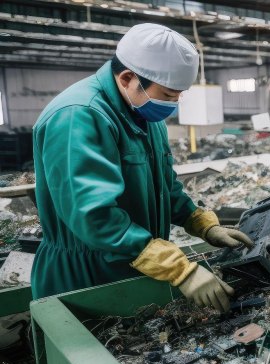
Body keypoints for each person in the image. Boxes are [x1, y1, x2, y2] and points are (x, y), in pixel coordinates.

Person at [30, 23, 252, 312]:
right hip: (86, 274)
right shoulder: (78, 116)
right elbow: (93, 216)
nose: (174, 104)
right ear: (127, 78)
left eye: (179, 95)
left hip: (134, 262)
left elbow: (165, 186)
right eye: (168, 95)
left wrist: (201, 224)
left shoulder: (146, 116)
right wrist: (179, 269)